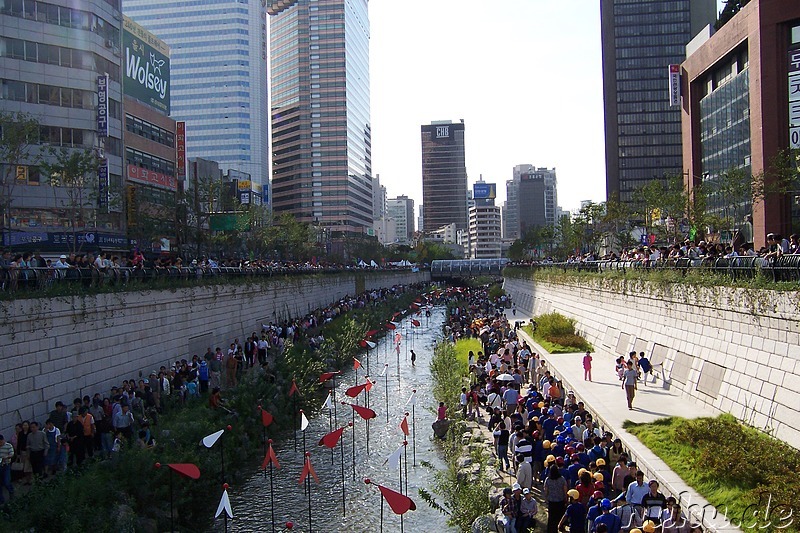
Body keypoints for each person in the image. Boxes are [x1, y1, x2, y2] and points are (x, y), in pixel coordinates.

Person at [543, 464, 568, 533]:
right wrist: (566, 498)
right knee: (560, 517)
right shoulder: (562, 479)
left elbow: (546, 490)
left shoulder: (548, 480)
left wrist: (546, 499)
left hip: (552, 502)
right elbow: (565, 489)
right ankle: (561, 528)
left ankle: (551, 531)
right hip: (561, 501)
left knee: (551, 518)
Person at [0, 434, 14, 505]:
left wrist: (6, 457)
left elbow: (11, 454)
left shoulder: (8, 446)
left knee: (6, 481)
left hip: (6, 465)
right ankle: (1, 499)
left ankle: (11, 492)